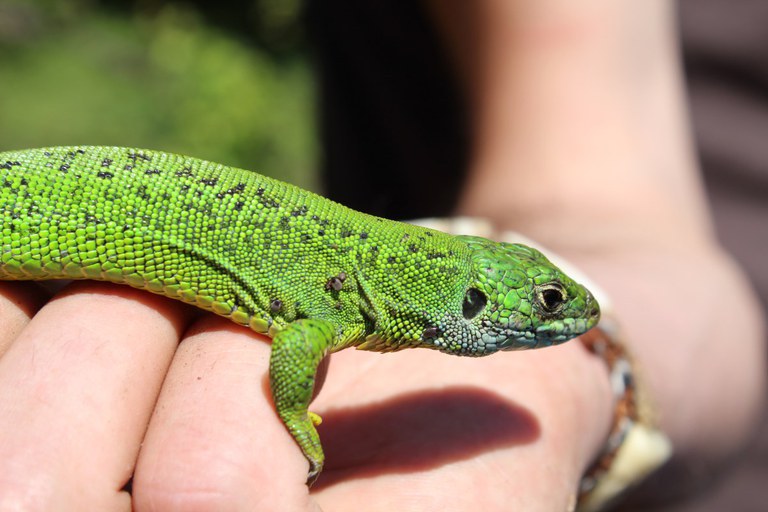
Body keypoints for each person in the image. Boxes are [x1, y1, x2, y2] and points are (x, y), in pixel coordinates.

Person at [0, 2, 763, 511]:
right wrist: (295, 413)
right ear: (469, 302)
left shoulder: (366, 284)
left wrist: (590, 387)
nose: (561, 313)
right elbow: (296, 342)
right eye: (547, 305)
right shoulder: (339, 302)